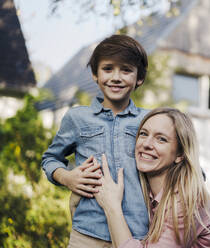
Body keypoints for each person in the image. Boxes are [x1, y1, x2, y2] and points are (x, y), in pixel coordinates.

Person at [41, 34, 149, 247]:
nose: (116, 77)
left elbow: (179, 163)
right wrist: (67, 177)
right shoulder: (77, 118)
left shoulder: (149, 120)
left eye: (126, 70)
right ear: (95, 75)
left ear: (139, 78)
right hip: (87, 233)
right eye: (108, 69)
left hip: (137, 234)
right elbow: (50, 159)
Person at [93, 107, 210, 247]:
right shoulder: (142, 190)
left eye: (161, 139)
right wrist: (67, 176)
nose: (146, 144)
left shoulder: (189, 201)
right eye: (143, 134)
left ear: (180, 154)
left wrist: (112, 208)